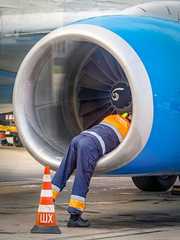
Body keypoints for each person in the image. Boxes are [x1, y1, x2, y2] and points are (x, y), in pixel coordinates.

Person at [52, 113, 131, 227]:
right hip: (90, 145)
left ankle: (47, 198)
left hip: (78, 138)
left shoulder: (112, 117)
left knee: (64, 170)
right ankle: (75, 217)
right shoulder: (129, 130)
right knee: (82, 177)